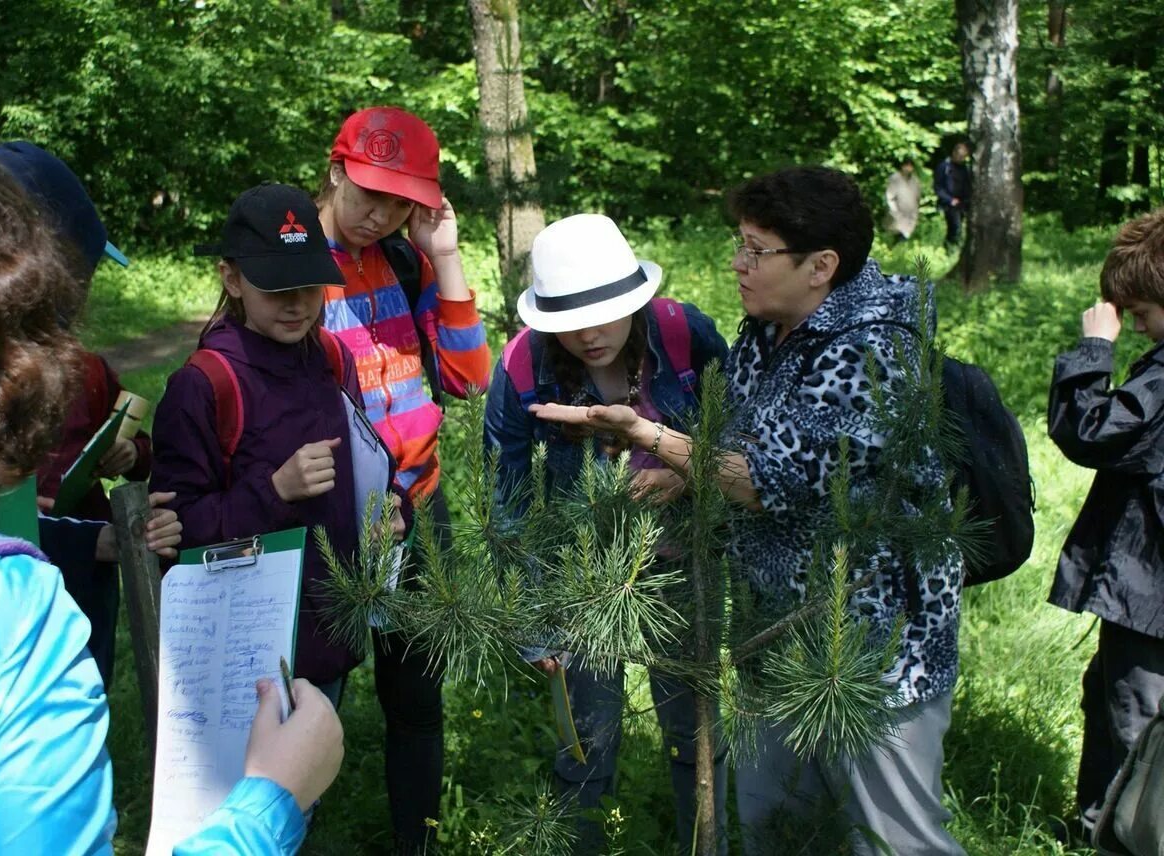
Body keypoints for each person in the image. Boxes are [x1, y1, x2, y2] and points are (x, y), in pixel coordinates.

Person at [0, 94, 343, 854]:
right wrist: (269, 808)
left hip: (316, 612)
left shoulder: (325, 360)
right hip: (232, 631)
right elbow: (185, 518)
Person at [533, 167, 965, 855]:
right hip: (774, 633)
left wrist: (646, 434)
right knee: (778, 829)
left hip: (872, 648)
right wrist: (682, 476)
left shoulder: (870, 349)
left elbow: (773, 479)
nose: (737, 262)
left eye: (756, 250)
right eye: (740, 242)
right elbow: (734, 432)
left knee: (895, 839)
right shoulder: (769, 329)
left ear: (821, 266)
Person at [484, 214, 730, 854]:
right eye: (568, 319)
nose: (589, 333)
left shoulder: (685, 334)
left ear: (636, 301)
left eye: (603, 313)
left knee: (697, 734)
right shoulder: (519, 366)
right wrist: (534, 618)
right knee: (583, 747)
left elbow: (737, 435)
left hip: (681, 564)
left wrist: (686, 476)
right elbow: (509, 499)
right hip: (577, 580)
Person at [316, 105, 492, 854]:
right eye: (367, 195)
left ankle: (414, 844)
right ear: (334, 173)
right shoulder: (288, 259)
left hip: (418, 508)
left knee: (416, 699)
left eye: (399, 203)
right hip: (324, 520)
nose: (379, 215)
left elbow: (466, 375)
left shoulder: (408, 261)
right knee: (309, 697)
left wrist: (445, 258)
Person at [151, 183, 397, 709]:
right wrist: (276, 489)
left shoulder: (331, 358)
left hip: (330, 628)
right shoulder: (203, 385)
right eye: (275, 288)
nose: (296, 304)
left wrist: (391, 511)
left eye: (310, 286)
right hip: (245, 648)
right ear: (231, 279)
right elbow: (179, 534)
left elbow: (364, 464)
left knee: (310, 784)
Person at [0, 139, 157, 688]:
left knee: (88, 683)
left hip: (87, 577)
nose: (84, 294)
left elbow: (136, 443)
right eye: (79, 277)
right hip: (21, 593)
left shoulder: (87, 370)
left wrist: (130, 450)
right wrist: (84, 540)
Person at [1046, 207, 1164, 845]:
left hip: (1151, 593)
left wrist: (1095, 348)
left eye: (1143, 312)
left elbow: (1091, 430)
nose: (1138, 326)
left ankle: (1113, 834)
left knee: (1132, 714)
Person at [933, 142, 971, 247]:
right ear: (954, 153)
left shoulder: (965, 169)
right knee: (955, 227)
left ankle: (951, 247)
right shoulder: (944, 167)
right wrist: (950, 200)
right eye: (959, 156)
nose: (961, 158)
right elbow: (938, 187)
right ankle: (949, 248)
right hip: (949, 204)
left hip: (962, 203)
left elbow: (967, 186)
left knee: (959, 228)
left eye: (963, 157)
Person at [885, 157, 921, 241]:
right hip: (896, 215)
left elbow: (917, 198)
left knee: (905, 239)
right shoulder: (895, 178)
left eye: (910, 166)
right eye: (906, 165)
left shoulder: (915, 181)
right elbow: (890, 197)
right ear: (902, 166)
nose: (908, 168)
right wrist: (895, 212)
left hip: (910, 216)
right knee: (893, 238)